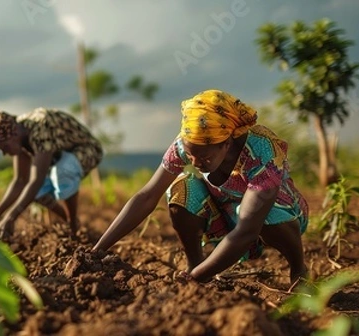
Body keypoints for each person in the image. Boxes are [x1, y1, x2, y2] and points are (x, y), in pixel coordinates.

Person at [92, 89, 309, 288]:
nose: (196, 163)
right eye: (191, 155)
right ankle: (195, 263)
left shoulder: (262, 152)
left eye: (205, 157)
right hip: (226, 211)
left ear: (227, 144)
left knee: (257, 212)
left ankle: (299, 270)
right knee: (181, 189)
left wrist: (195, 279)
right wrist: (98, 250)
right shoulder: (187, 143)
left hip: (276, 214)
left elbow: (247, 230)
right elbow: (148, 195)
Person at [0, 107, 103, 240]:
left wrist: (10, 217)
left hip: (88, 150)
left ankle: (72, 224)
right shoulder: (18, 134)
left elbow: (37, 180)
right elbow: (20, 181)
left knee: (63, 171)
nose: (4, 153)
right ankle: (69, 219)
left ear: (14, 135)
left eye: (5, 147)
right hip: (59, 158)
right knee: (35, 192)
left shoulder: (40, 129)